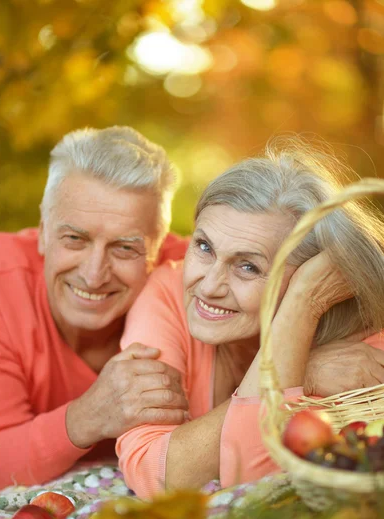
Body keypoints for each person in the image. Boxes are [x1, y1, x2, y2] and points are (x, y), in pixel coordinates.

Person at [116, 139, 384, 498]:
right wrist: (302, 371)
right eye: (204, 247)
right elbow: (155, 474)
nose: (208, 286)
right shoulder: (168, 292)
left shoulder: (363, 325)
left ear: (317, 273)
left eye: (248, 266)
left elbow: (251, 475)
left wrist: (303, 304)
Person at [0, 125, 191, 492]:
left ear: (160, 247)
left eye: (125, 248)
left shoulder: (198, 275)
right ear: (45, 231)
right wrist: (89, 416)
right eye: (75, 239)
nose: (94, 275)